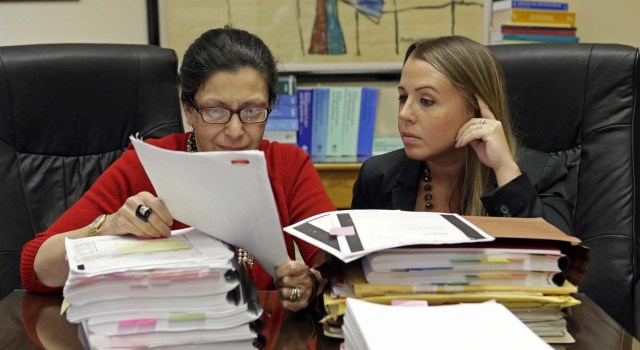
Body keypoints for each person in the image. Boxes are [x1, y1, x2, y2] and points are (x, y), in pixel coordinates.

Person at [20, 26, 335, 311]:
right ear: (188, 109)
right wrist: (110, 226)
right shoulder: (145, 163)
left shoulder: (288, 165)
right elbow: (36, 269)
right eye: (216, 110)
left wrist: (310, 283)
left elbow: (336, 265)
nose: (237, 130)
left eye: (252, 111)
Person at [351, 36, 573, 234]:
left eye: (426, 101)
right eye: (402, 98)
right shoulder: (378, 177)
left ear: (476, 110)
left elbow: (560, 267)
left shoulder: (541, 175)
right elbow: (351, 270)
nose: (404, 114)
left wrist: (505, 170)